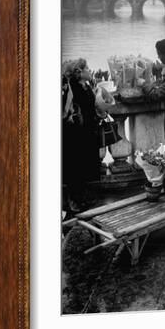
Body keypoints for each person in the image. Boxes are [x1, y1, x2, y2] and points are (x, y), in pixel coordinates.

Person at [62, 58, 101, 214]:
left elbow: (90, 105)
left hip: (87, 131)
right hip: (76, 133)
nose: (89, 70)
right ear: (79, 72)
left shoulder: (86, 85)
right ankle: (74, 202)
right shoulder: (71, 87)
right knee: (75, 167)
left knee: (84, 166)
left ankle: (81, 198)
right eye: (87, 68)